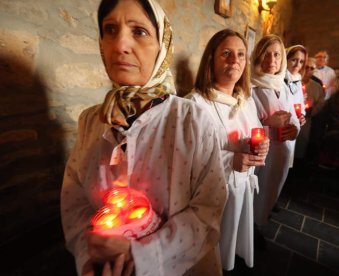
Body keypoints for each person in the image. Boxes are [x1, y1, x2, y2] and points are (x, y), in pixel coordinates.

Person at [60, 0, 227, 275]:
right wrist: (88, 255)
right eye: (110, 29)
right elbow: (74, 197)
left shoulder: (192, 121)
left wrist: (142, 256)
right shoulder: (91, 121)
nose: (120, 45)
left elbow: (208, 212)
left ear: (162, 44)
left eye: (139, 31)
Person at [186, 29, 270, 273]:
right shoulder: (195, 104)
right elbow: (186, 159)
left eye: (241, 55)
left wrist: (262, 145)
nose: (235, 61)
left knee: (232, 251)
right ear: (211, 59)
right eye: (226, 53)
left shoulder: (246, 100)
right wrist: (229, 160)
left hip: (242, 190)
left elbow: (255, 132)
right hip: (211, 197)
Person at [250, 34, 299, 235]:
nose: (272, 61)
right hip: (263, 153)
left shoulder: (283, 86)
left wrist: (294, 128)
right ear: (257, 57)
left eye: (277, 55)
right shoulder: (250, 86)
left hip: (282, 150)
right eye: (266, 55)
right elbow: (243, 122)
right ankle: (251, 230)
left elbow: (293, 115)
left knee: (271, 191)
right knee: (257, 193)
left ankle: (261, 222)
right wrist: (268, 123)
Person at [285, 45, 307, 127]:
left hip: (294, 127)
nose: (297, 65)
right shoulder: (278, 80)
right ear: (285, 60)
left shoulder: (298, 80)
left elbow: (300, 103)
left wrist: (301, 115)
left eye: (301, 62)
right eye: (294, 60)